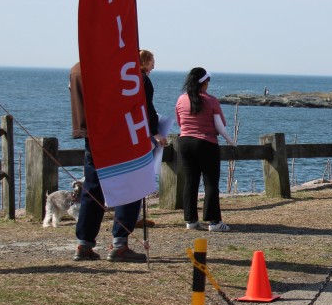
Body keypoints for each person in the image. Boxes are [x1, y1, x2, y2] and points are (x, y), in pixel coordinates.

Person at [69, 62, 147, 262]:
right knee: (129, 184)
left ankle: (84, 243)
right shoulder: (112, 64)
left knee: (92, 187)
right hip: (118, 131)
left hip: (92, 133)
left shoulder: (78, 68)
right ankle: (119, 243)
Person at [176, 67, 235, 232]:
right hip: (206, 143)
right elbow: (222, 124)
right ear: (204, 83)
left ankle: (191, 220)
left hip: (185, 142)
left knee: (190, 181)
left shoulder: (181, 99)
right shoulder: (211, 100)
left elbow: (180, 121)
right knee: (210, 182)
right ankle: (214, 221)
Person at [135, 49, 169, 227]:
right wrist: (154, 131)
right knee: (140, 173)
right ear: (144, 62)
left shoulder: (134, 79)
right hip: (145, 132)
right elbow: (146, 106)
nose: (154, 65)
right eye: (151, 62)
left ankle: (134, 215)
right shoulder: (143, 80)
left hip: (139, 129)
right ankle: (135, 216)